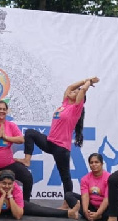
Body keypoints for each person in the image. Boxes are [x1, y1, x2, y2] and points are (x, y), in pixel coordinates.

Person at [16, 77, 99, 208]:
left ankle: (67, 203)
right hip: (50, 143)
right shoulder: (65, 104)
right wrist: (85, 80)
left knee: (65, 177)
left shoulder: (75, 109)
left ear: (80, 99)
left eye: (76, 93)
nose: (72, 92)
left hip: (61, 148)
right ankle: (27, 160)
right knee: (30, 133)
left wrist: (89, 83)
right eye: (72, 92)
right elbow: (70, 87)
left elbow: (83, 90)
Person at [64, 153, 118, 221]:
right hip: (91, 207)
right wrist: (85, 211)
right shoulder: (85, 179)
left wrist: (98, 213)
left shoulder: (109, 178)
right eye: (91, 163)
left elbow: (107, 198)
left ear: (101, 164)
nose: (94, 164)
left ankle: (100, 216)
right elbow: (85, 196)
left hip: (107, 207)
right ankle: (97, 216)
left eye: (96, 162)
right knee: (68, 195)